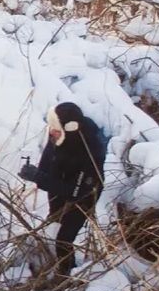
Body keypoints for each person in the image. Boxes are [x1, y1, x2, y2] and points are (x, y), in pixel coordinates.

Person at [19, 102, 107, 278]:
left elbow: (75, 192)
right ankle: (51, 264)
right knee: (54, 223)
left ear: (70, 129)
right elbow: (47, 167)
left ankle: (67, 276)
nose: (51, 132)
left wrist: (39, 177)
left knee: (64, 239)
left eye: (56, 129)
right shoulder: (58, 136)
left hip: (85, 195)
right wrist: (35, 174)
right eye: (51, 127)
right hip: (60, 184)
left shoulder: (90, 150)